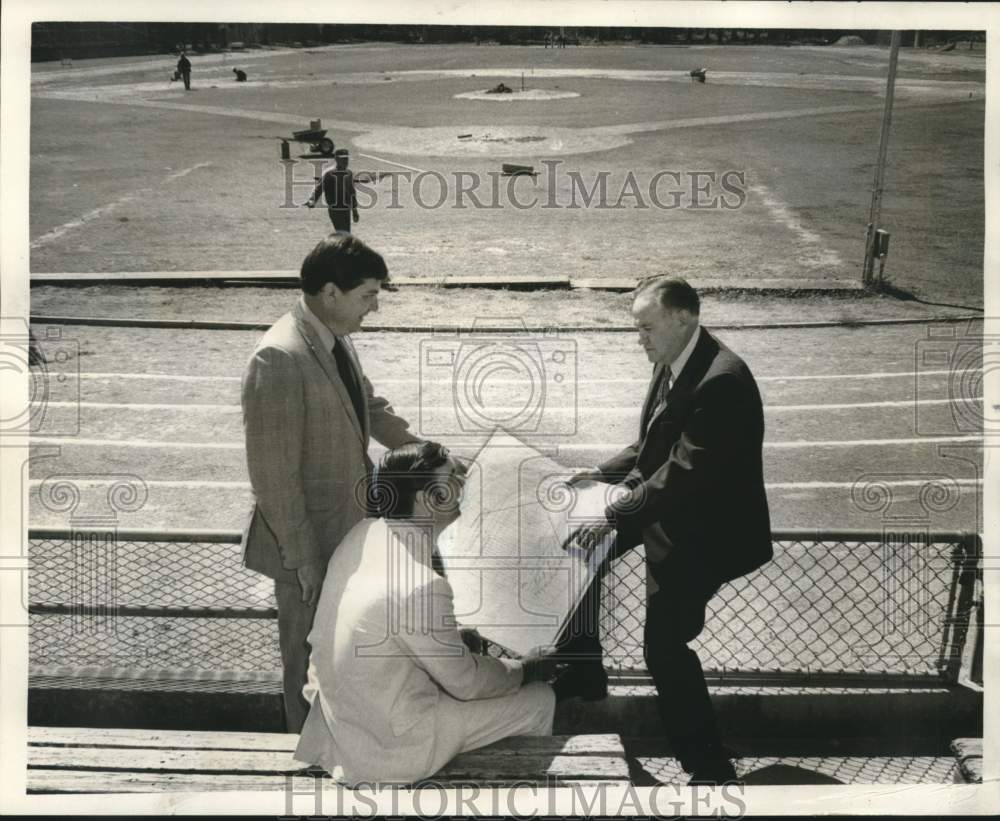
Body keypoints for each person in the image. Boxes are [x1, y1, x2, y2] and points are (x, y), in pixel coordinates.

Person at [560, 276, 772, 785]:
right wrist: (601, 475)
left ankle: (708, 765)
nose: (641, 339)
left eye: (647, 327)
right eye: (637, 328)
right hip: (667, 507)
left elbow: (684, 470)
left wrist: (612, 513)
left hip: (702, 532)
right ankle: (584, 670)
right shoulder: (672, 359)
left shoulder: (723, 381)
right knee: (579, 554)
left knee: (664, 647)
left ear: (684, 318)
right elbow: (652, 446)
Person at [241, 232, 424, 732]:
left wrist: (427, 452)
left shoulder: (331, 337)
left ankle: (337, 746)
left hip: (342, 534)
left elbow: (369, 408)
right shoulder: (278, 356)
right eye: (368, 296)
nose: (375, 308)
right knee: (307, 662)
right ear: (330, 293)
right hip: (307, 548)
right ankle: (306, 763)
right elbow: (274, 478)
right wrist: (303, 561)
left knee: (338, 656)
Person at [295, 442, 556, 785]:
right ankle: (511, 791)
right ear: (424, 499)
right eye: (452, 479)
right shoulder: (422, 585)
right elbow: (466, 683)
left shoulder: (362, 534)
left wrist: (454, 640)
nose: (463, 486)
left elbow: (383, 630)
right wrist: (527, 668)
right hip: (389, 749)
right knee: (540, 700)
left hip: (342, 726)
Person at [306, 149, 359, 232]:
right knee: (342, 233)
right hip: (335, 208)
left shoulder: (349, 173)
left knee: (346, 233)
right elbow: (319, 188)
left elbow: (352, 192)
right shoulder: (329, 173)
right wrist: (312, 200)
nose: (345, 161)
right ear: (336, 159)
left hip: (346, 209)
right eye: (343, 159)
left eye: (346, 159)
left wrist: (354, 210)